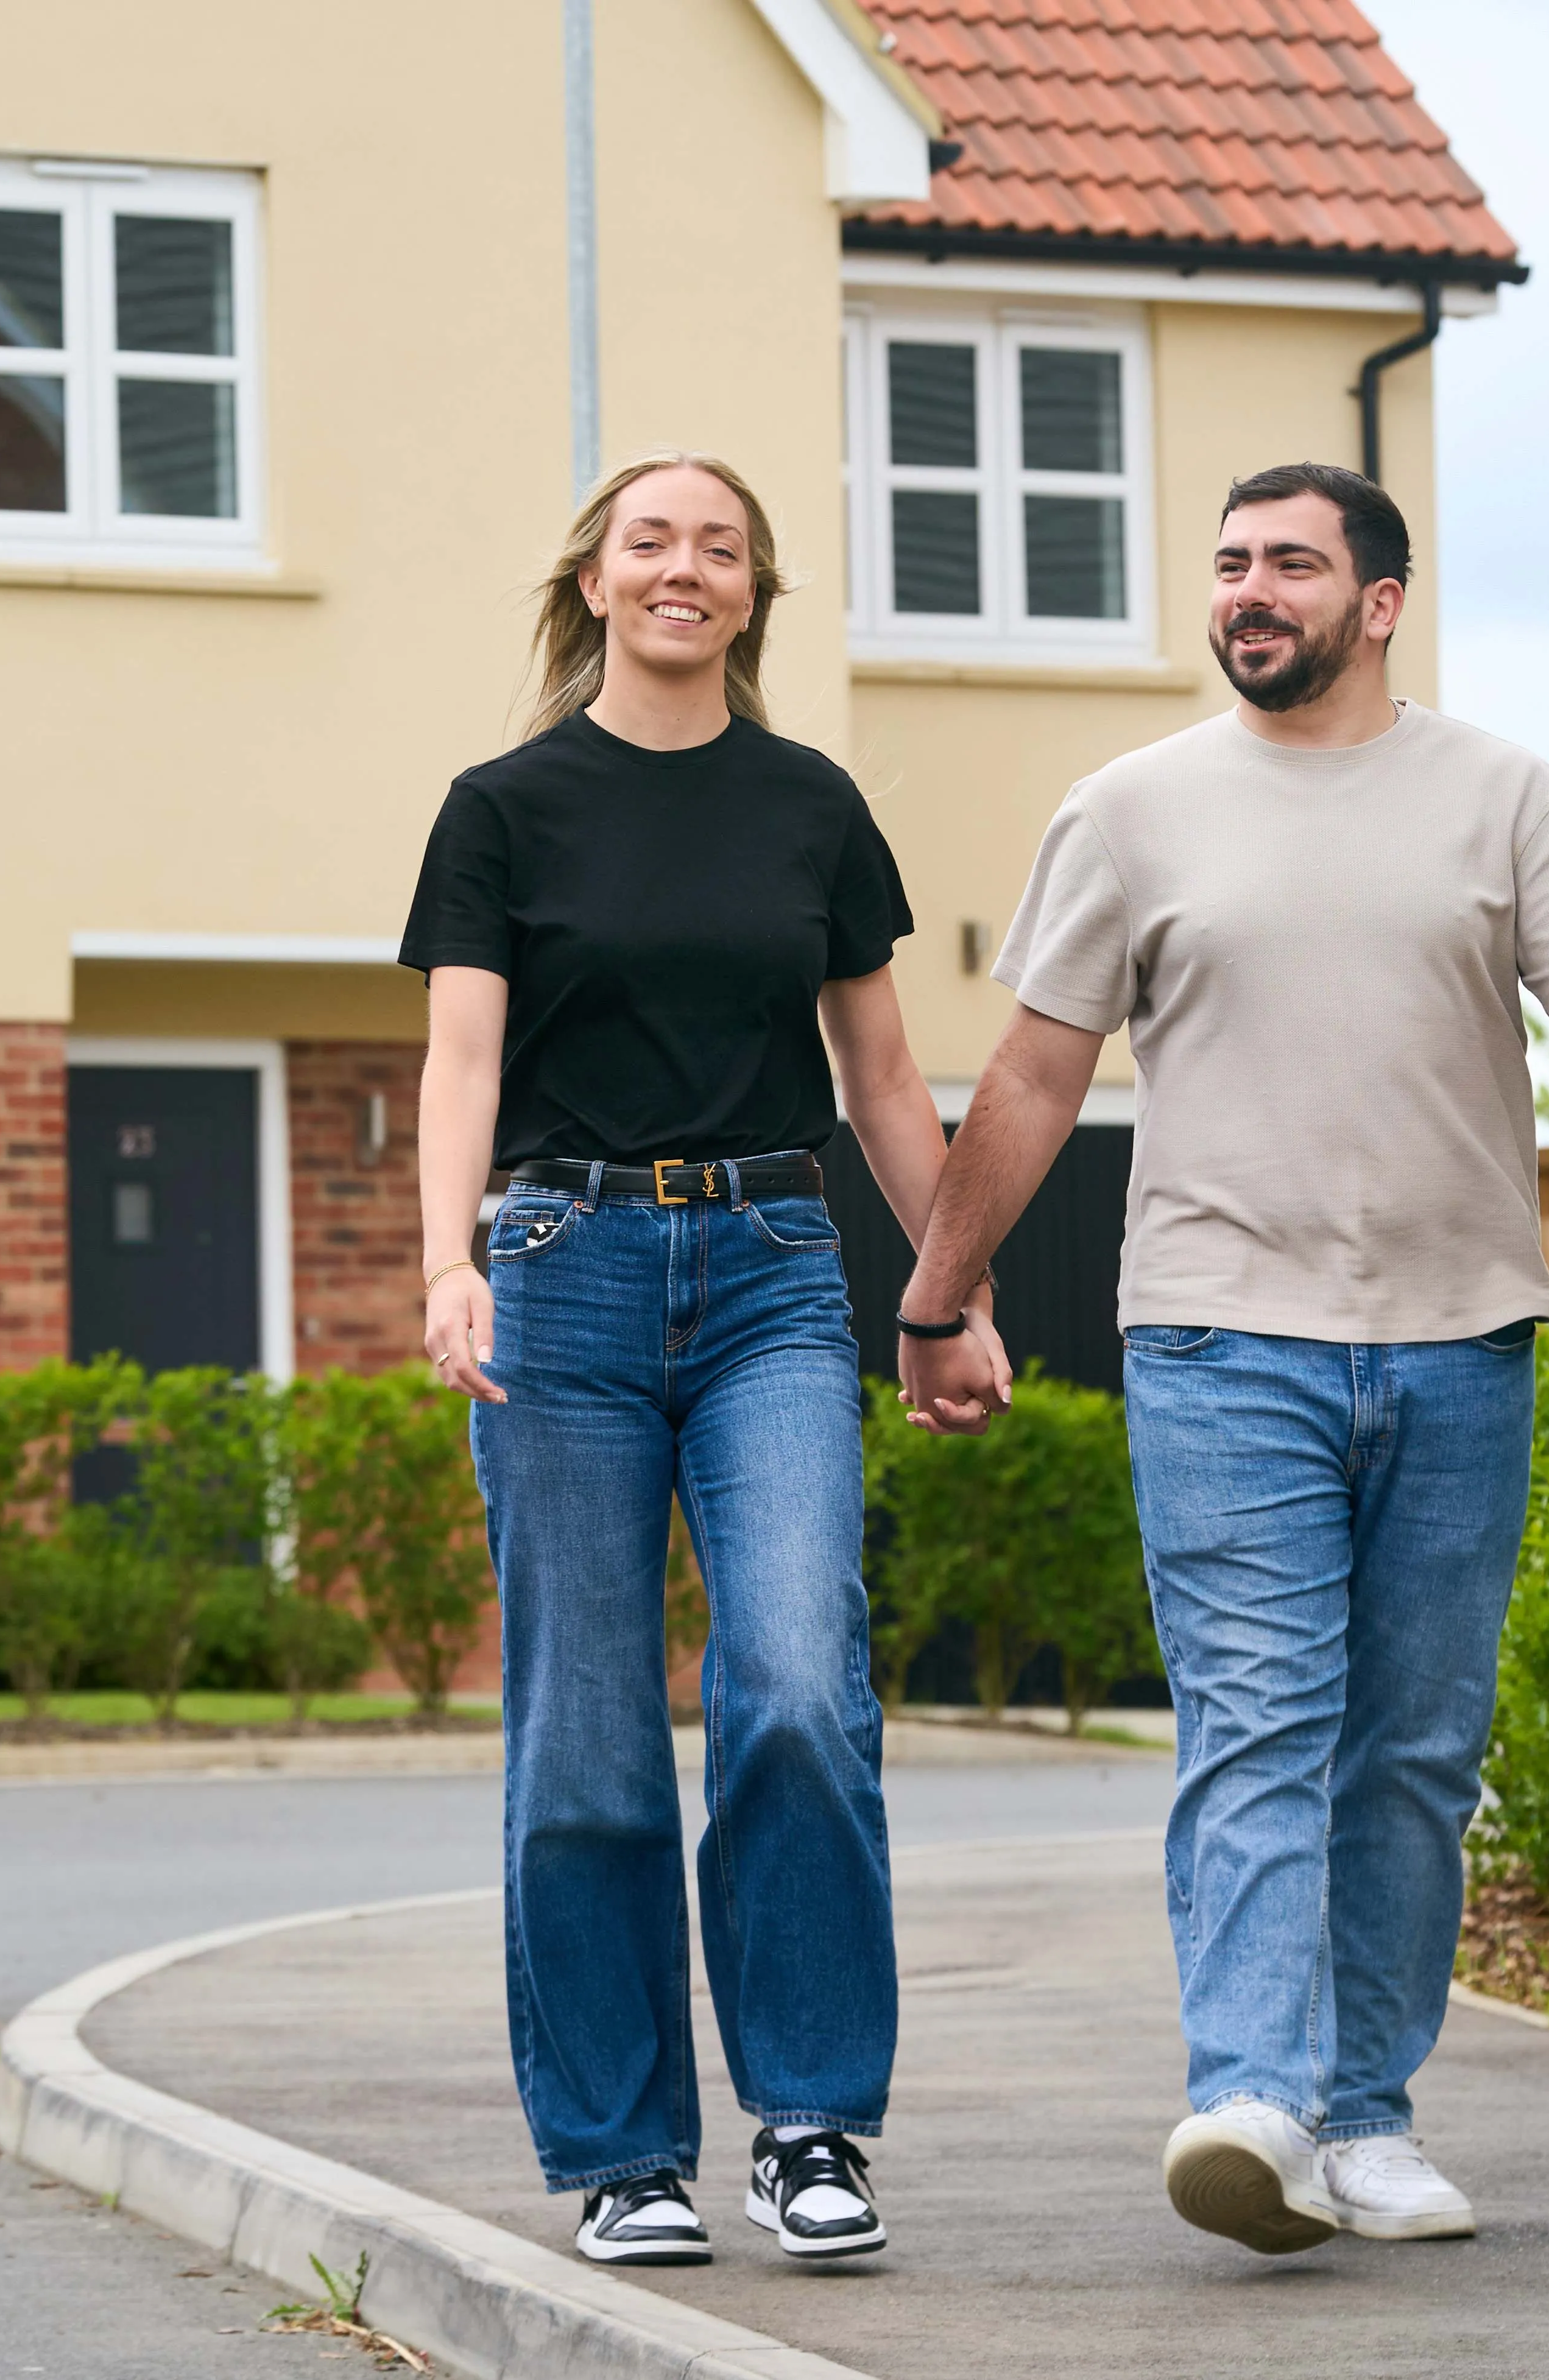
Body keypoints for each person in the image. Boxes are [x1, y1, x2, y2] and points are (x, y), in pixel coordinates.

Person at [894, 460, 1549, 2255]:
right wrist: (943, 1293)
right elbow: (1028, 1076)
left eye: (1292, 565)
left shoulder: (1511, 800)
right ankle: (1253, 2091)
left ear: (1380, 600)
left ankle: (1368, 2114)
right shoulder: (1131, 809)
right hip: (1220, 1334)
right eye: (1233, 563)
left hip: (1462, 1338)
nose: (1250, 591)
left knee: (1412, 1748)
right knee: (1260, 1721)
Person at [400, 449, 1007, 2270]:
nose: (685, 569)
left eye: (719, 549)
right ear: (596, 579)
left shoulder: (810, 807)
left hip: (769, 1269)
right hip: (560, 1271)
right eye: (651, 541)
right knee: (585, 1733)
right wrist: (449, 1262)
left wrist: (954, 1285)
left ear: (752, 597)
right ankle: (626, 2152)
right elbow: (460, 1069)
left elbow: (887, 1081)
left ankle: (811, 2120)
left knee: (802, 1691)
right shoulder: (502, 810)